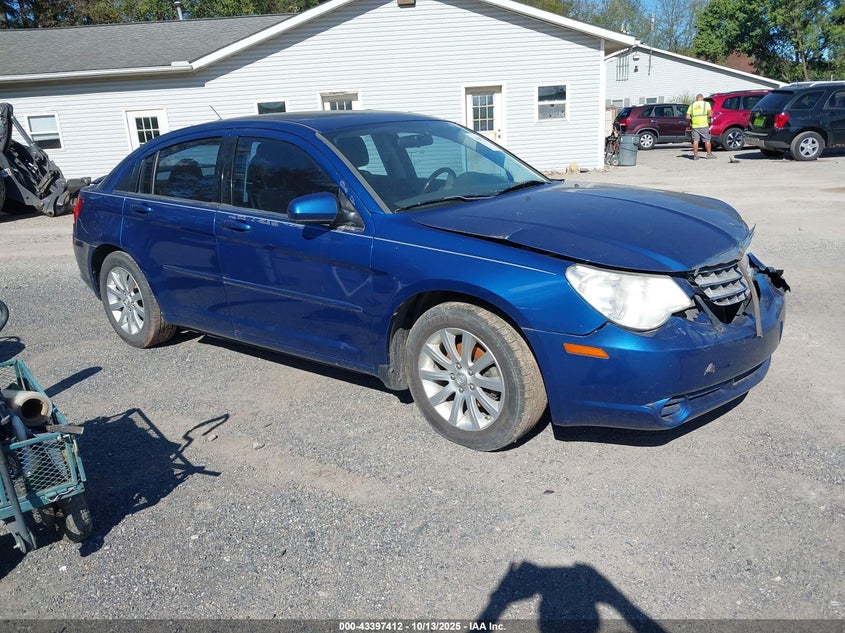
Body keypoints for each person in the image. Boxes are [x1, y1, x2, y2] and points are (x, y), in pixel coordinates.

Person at [686, 93, 714, 160]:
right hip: (704, 125)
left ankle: (695, 156)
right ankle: (709, 154)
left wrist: (693, 119)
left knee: (695, 141)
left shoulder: (692, 106)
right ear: (702, 98)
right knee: (707, 140)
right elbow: (710, 115)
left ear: (696, 99)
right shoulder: (706, 104)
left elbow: (687, 117)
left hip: (695, 126)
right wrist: (704, 117)